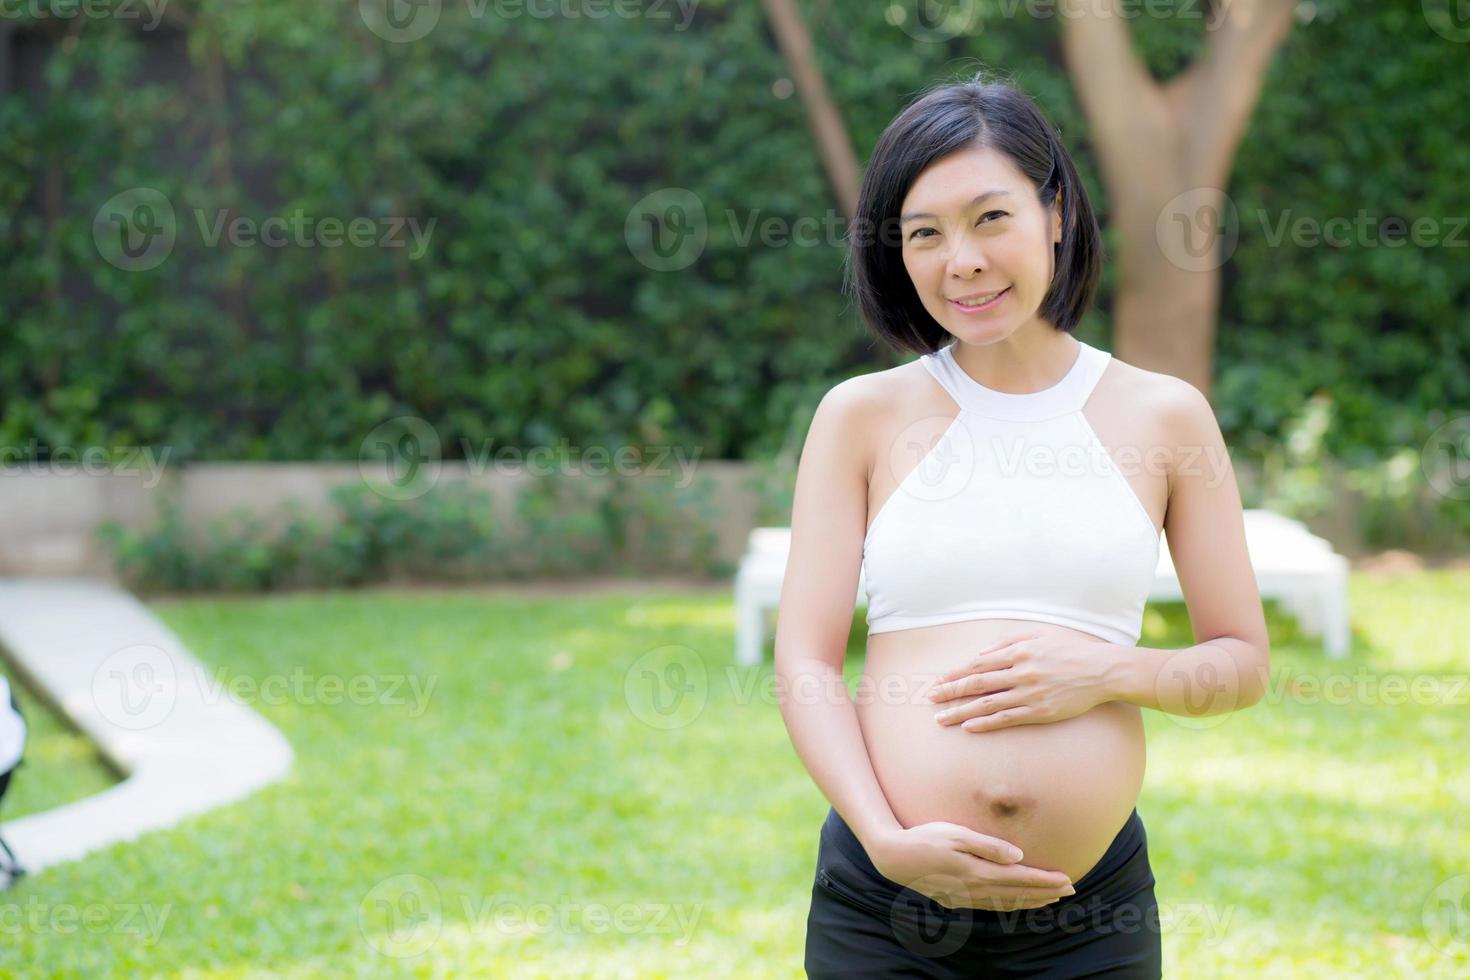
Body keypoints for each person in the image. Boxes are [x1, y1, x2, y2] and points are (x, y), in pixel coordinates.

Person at [774, 70, 1270, 977]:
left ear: (1056, 215)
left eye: (989, 218)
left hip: (1088, 923)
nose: (959, 260)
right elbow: (805, 661)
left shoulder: (1164, 417)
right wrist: (884, 839)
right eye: (924, 234)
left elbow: (1240, 664)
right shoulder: (860, 416)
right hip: (884, 911)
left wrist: (1108, 673)